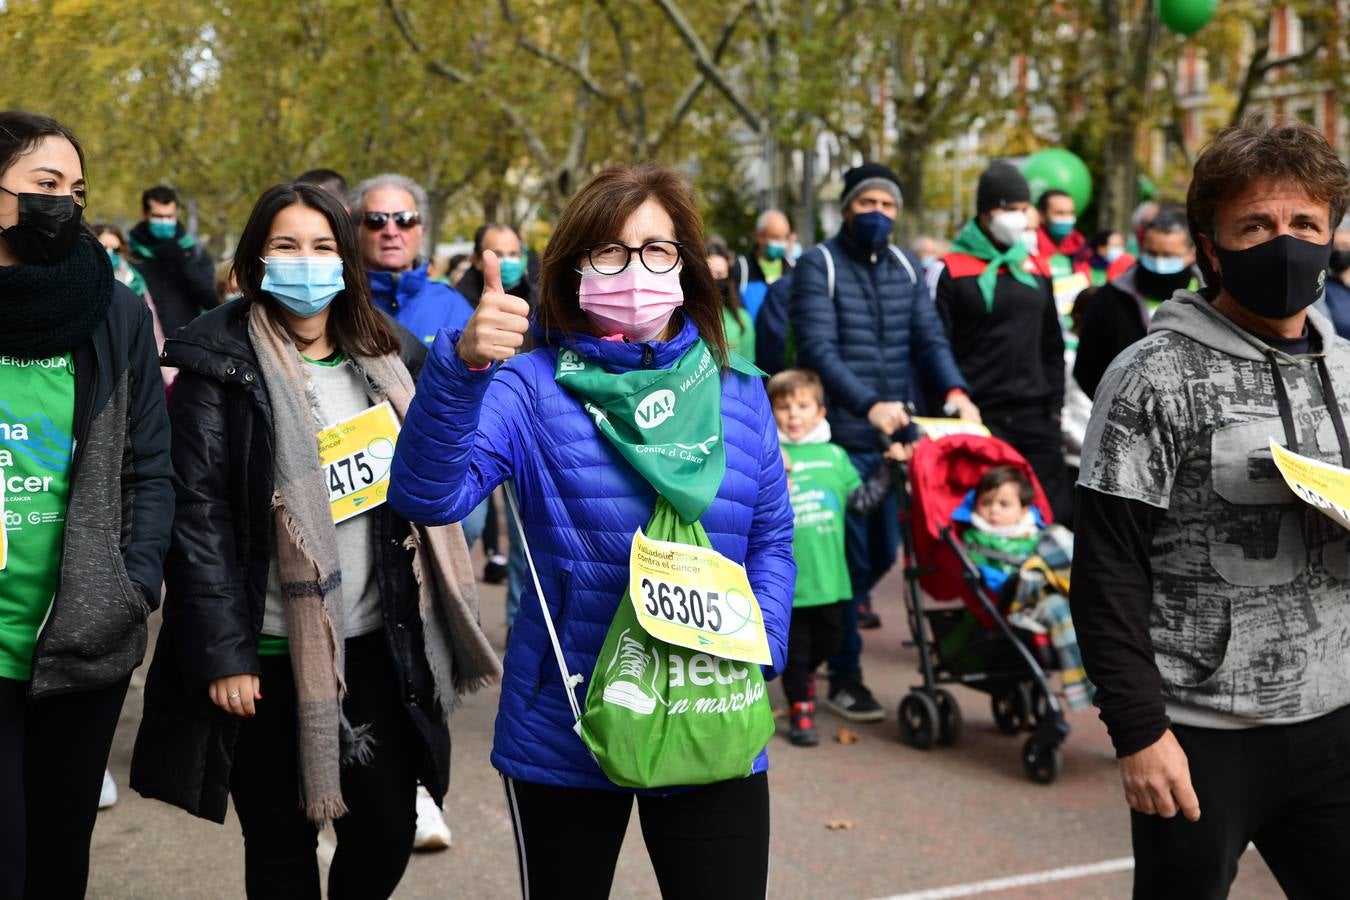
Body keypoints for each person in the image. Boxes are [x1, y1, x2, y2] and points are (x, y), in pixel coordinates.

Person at [387, 163, 794, 899]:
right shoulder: (530, 384)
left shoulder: (737, 390)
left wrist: (757, 645)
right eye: (610, 251)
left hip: (710, 708)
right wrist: (463, 366)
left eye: (657, 250)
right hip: (566, 720)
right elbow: (427, 494)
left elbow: (770, 537)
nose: (635, 269)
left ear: (686, 265)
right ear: (573, 267)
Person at [129, 181, 499, 899]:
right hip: (265, 654)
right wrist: (225, 656)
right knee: (280, 847)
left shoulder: (392, 355)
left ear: (347, 259)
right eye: (286, 246)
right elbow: (197, 519)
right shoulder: (218, 365)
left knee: (387, 829)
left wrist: (475, 362)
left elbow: (443, 461)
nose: (307, 262)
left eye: (324, 246)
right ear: (257, 260)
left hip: (377, 644)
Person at [1071, 120, 1350, 898]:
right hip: (1200, 733)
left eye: (1305, 224)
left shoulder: (1349, 366)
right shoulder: (1150, 377)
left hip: (1336, 721)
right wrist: (1139, 732)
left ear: (1332, 238)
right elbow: (1107, 569)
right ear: (1211, 245)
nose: (1284, 242)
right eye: (1256, 225)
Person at [0, 110, 173, 899]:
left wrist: (130, 588)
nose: (64, 205)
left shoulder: (115, 311)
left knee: (58, 862)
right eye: (44, 186)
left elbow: (148, 467)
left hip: (80, 644)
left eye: (75, 189)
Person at [791, 161, 978, 722]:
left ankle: (819, 637)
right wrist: (866, 403)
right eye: (867, 204)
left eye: (888, 206)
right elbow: (816, 350)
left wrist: (954, 389)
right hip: (840, 441)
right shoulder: (816, 265)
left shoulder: (904, 265)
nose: (878, 215)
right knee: (849, 558)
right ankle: (845, 674)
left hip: (894, 439)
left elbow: (929, 338)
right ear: (847, 207)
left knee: (881, 554)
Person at [934, 161, 1070, 524]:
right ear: (985, 212)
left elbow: (1051, 343)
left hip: (1036, 416)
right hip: (981, 414)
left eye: (1024, 209)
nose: (1022, 218)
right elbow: (936, 344)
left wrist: (1055, 406)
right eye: (1010, 209)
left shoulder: (1035, 268)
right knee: (987, 516)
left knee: (1051, 514)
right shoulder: (951, 269)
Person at [770, 369, 897, 746]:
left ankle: (803, 677)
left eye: (802, 406)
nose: (793, 415)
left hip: (831, 580)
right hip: (787, 580)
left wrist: (890, 471)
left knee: (831, 640)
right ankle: (801, 708)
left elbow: (860, 503)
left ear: (820, 412)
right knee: (797, 649)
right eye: (783, 406)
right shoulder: (768, 454)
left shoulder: (835, 456)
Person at [956, 465, 1090, 709]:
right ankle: (1083, 686)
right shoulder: (976, 540)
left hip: (1050, 589)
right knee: (1059, 611)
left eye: (1003, 504)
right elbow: (986, 580)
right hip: (1014, 601)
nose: (993, 510)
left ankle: (1092, 670)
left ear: (1024, 510)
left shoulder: (1032, 534)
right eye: (986, 503)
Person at [1073, 208, 1200, 399]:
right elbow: (1087, 368)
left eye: (1168, 255)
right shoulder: (1109, 298)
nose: (1159, 262)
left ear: (1192, 253)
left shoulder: (1211, 299)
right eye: (1152, 253)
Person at [349, 173, 474, 347]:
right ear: (356, 232)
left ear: (421, 233)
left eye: (405, 220)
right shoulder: (334, 305)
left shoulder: (453, 307)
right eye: (376, 220)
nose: (391, 232)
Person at [127, 184, 218, 336]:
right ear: (144, 215)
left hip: (187, 342)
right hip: (145, 344)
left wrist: (183, 262)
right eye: (158, 216)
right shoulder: (130, 253)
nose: (164, 222)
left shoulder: (193, 251)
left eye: (169, 216)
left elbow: (213, 301)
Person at [457, 223, 534, 310]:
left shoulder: (536, 297)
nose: (507, 261)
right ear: (477, 261)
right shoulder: (459, 303)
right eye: (497, 255)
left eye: (513, 254)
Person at [732, 208, 792, 320]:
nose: (782, 243)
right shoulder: (742, 268)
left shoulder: (793, 268)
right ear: (759, 236)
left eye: (785, 237)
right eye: (775, 237)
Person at [706, 236, 755, 359]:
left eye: (720, 274)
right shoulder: (685, 317)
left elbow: (748, 370)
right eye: (708, 274)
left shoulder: (742, 320)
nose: (714, 280)